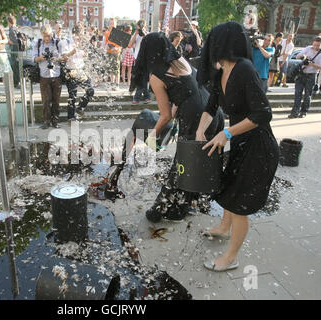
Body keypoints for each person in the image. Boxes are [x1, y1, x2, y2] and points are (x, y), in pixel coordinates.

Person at [196, 21, 279, 272]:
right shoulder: (223, 72)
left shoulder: (244, 69)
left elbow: (263, 113)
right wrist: (201, 130)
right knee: (228, 189)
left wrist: (227, 132)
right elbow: (211, 107)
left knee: (239, 204)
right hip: (242, 143)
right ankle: (223, 228)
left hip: (259, 147)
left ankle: (231, 258)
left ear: (221, 44)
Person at [130, 32, 224, 222]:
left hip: (196, 119)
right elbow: (183, 93)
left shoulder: (157, 76)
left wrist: (151, 136)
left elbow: (164, 116)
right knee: (196, 162)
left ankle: (162, 209)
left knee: (181, 165)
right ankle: (187, 205)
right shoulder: (181, 60)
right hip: (213, 112)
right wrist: (172, 116)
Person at [60, 25, 95, 121]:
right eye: (80, 35)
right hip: (70, 70)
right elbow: (64, 57)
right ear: (75, 34)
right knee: (73, 95)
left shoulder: (81, 43)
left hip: (80, 71)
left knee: (90, 90)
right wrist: (75, 50)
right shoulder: (66, 42)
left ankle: (80, 108)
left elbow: (84, 57)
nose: (81, 38)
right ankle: (71, 117)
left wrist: (85, 54)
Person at [33, 24, 64, 129]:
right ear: (42, 34)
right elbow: (34, 58)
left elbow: (64, 57)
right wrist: (41, 58)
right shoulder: (38, 44)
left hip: (56, 74)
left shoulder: (57, 43)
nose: (47, 38)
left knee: (56, 99)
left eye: (49, 36)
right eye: (45, 36)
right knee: (45, 100)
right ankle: (46, 121)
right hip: (44, 75)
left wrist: (57, 59)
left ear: (51, 33)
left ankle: (55, 121)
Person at [288, 36, 321, 119]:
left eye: (318, 45)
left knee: (307, 95)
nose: (316, 47)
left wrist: (312, 64)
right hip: (301, 74)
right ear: (312, 43)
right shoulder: (308, 48)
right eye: (315, 45)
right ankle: (294, 112)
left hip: (311, 75)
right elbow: (297, 56)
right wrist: (304, 57)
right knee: (297, 94)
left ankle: (303, 112)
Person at [129, 19, 150, 105]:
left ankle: (137, 98)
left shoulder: (148, 34)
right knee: (140, 78)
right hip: (137, 59)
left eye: (141, 27)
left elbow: (149, 45)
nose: (140, 28)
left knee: (143, 78)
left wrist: (144, 35)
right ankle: (147, 96)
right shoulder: (135, 34)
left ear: (144, 27)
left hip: (146, 59)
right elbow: (130, 45)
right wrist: (136, 34)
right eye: (139, 27)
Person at [103, 18, 122, 90]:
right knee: (110, 69)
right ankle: (112, 83)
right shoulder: (107, 33)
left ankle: (117, 85)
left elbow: (121, 44)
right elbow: (105, 43)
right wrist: (106, 47)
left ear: (116, 24)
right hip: (109, 52)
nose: (112, 25)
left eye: (113, 23)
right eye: (111, 23)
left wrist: (116, 48)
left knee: (116, 69)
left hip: (116, 53)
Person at [7, 15, 20, 89]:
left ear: (9, 22)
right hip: (17, 49)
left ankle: (15, 83)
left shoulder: (12, 29)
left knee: (14, 66)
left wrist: (9, 41)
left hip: (14, 49)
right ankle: (16, 82)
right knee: (16, 66)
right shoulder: (16, 28)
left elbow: (15, 41)